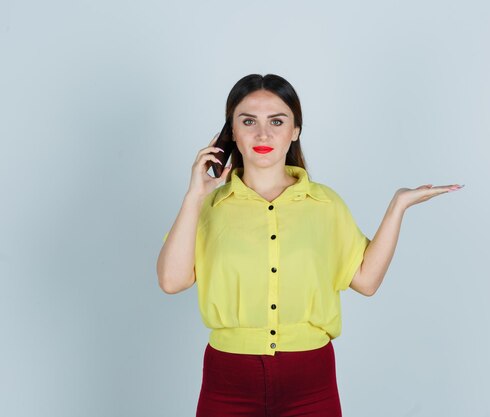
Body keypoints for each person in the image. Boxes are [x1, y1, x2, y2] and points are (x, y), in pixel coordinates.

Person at [156, 73, 463, 416]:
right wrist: (194, 196)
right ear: (232, 133)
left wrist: (398, 206)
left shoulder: (325, 204)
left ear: (295, 130)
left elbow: (366, 280)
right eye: (248, 121)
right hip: (228, 380)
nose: (263, 134)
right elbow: (172, 281)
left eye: (277, 121)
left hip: (311, 381)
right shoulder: (208, 206)